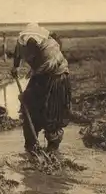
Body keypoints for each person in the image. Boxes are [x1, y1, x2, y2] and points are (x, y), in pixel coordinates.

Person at [11, 23, 72, 154]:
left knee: (52, 112)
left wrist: (32, 79)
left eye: (34, 44)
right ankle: (31, 145)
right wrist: (15, 67)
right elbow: (17, 53)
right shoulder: (22, 43)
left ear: (39, 41)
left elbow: (48, 68)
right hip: (39, 75)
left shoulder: (50, 47)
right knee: (29, 109)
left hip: (56, 78)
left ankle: (52, 148)